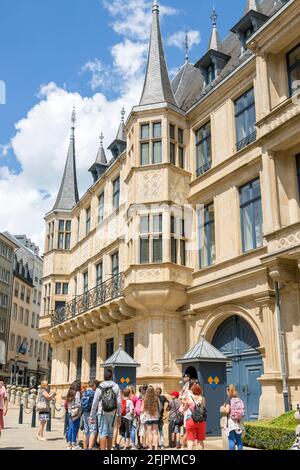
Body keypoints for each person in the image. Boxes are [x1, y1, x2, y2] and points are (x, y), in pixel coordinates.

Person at [90, 369, 121, 451]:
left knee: (102, 433)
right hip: (113, 413)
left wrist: (92, 415)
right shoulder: (116, 386)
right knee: (110, 433)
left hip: (102, 412)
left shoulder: (100, 387)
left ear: (104, 377)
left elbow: (95, 402)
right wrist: (119, 415)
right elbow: (119, 402)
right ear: (111, 377)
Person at [184, 383, 206, 450]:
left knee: (190, 440)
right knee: (200, 441)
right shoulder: (202, 399)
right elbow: (203, 409)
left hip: (191, 420)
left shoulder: (189, 398)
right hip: (201, 421)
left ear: (192, 390)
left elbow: (185, 409)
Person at [224, 384, 245, 451]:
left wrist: (224, 408)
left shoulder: (229, 399)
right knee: (239, 440)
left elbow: (227, 411)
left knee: (231, 439)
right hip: (239, 422)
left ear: (228, 391)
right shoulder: (239, 399)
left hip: (231, 422)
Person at [141, 385, 161, 451]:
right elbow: (160, 408)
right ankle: (156, 448)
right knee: (155, 433)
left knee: (149, 433)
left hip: (148, 418)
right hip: (155, 417)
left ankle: (150, 448)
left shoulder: (145, 399)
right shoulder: (156, 398)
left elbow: (142, 409)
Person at [81, 380, 98, 450]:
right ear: (94, 385)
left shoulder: (84, 392)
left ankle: (85, 447)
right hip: (92, 414)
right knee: (92, 431)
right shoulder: (94, 393)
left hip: (85, 413)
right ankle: (90, 448)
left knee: (86, 430)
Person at [66, 381, 82, 450]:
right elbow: (78, 403)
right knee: (75, 428)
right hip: (75, 412)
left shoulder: (69, 392)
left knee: (70, 428)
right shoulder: (77, 392)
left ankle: (69, 445)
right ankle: (74, 444)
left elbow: (68, 402)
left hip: (70, 412)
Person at [135, 385, 148, 450]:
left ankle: (140, 443)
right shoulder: (146, 397)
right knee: (144, 430)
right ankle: (143, 444)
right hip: (144, 415)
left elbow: (137, 409)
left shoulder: (139, 397)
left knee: (140, 429)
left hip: (140, 416)